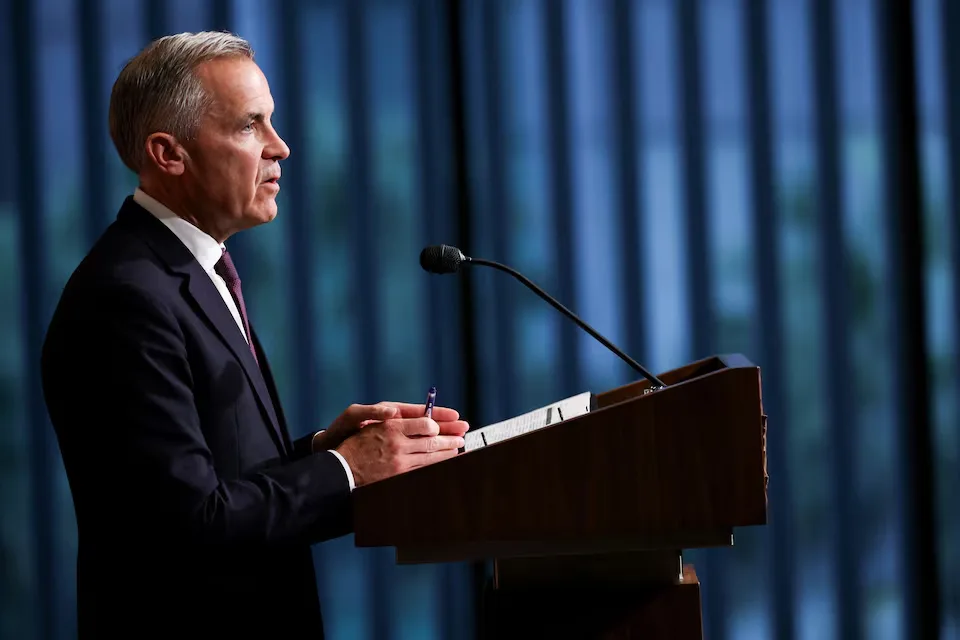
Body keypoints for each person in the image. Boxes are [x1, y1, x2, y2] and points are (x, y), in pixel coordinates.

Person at [40, 31, 468, 638]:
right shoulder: (125, 296)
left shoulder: (191, 270)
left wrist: (323, 452)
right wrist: (347, 470)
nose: (281, 147)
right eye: (250, 126)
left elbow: (217, 478)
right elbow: (188, 523)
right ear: (169, 153)